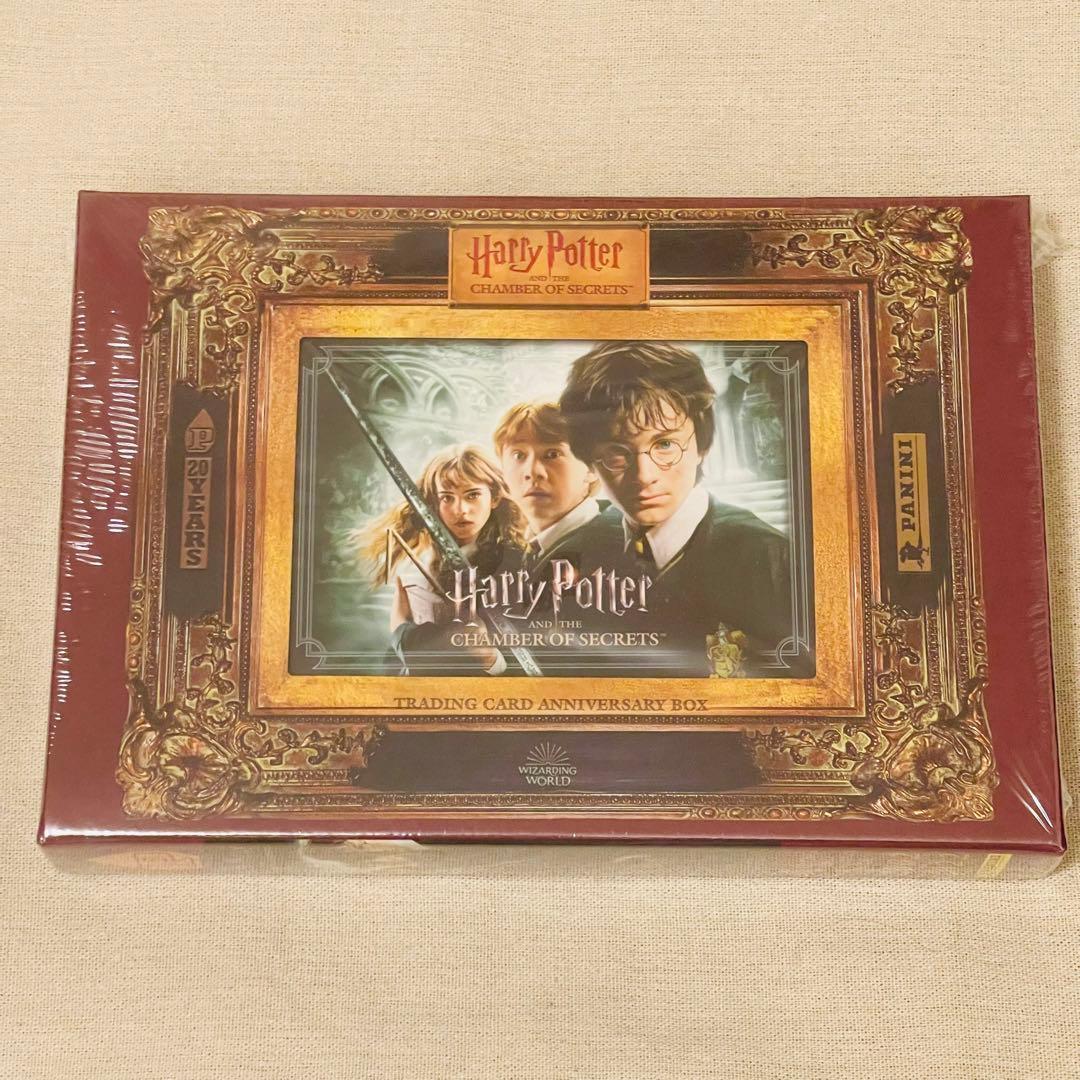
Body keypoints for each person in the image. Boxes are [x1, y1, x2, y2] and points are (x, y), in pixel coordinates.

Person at [558, 340, 811, 678]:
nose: (644, 476)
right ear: (590, 460)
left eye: (665, 444)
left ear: (701, 445)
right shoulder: (572, 556)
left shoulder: (772, 560)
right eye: (617, 452)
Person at [357, 444, 526, 675]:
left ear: (494, 497)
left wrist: (490, 659)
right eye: (447, 498)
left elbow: (537, 658)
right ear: (434, 503)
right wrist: (401, 635)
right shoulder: (415, 567)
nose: (461, 509)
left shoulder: (518, 562)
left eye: (473, 495)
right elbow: (395, 663)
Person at [493, 401, 602, 574]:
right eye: (518, 455)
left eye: (552, 454)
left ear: (592, 468)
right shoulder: (520, 550)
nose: (532, 472)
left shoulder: (611, 549)